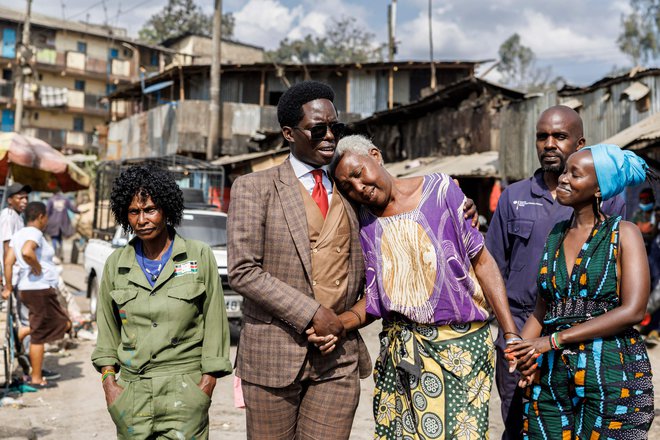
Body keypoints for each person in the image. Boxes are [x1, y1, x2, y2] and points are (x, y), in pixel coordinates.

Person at [228, 81, 479, 439]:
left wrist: (459, 201)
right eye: (318, 129)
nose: (330, 136)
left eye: (336, 127)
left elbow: (408, 200)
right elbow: (243, 271)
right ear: (289, 133)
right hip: (273, 356)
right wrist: (312, 314)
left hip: (337, 362)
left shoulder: (353, 190)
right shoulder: (254, 188)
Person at [322, 134, 518, 439]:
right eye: (348, 186)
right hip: (400, 353)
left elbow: (482, 263)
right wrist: (337, 323)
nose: (359, 188)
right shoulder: (363, 221)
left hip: (460, 351)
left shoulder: (441, 191)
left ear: (375, 155)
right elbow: (376, 300)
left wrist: (510, 334)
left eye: (359, 174)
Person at [485, 105, 626, 439]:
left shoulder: (609, 200)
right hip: (519, 330)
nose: (549, 144)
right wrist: (512, 337)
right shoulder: (514, 197)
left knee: (582, 426)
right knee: (520, 424)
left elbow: (615, 279)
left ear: (580, 143)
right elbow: (491, 270)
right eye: (542, 136)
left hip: (584, 336)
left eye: (559, 136)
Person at [507, 144, 655, 438]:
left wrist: (553, 340)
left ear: (598, 189)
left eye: (575, 175)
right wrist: (522, 353)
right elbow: (542, 308)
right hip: (552, 377)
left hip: (612, 375)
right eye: (565, 171)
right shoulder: (556, 235)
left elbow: (634, 310)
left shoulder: (624, 233)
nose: (563, 179)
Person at [91, 164, 231, 439]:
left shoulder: (199, 256)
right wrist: (110, 384)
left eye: (150, 210)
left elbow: (215, 322)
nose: (142, 220)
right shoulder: (116, 264)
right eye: (134, 212)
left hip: (185, 391)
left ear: (166, 209)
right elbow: (107, 332)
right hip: (133, 394)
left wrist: (205, 386)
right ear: (124, 214)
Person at [4, 201, 71, 387]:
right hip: (39, 290)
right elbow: (27, 252)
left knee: (63, 323)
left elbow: (8, 261)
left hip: (27, 290)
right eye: (46, 217)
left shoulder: (18, 235)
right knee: (41, 335)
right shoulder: (35, 233)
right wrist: (38, 267)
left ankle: (24, 331)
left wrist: (9, 286)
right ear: (41, 216)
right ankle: (36, 377)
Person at [0, 182, 31, 280]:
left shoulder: (18, 216)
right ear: (10, 200)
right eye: (20, 198)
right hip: (10, 272)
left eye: (26, 198)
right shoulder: (8, 217)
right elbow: (7, 248)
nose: (25, 201)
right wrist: (7, 278)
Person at [46, 190, 80, 260]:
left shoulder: (51, 200)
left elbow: (47, 212)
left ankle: (55, 254)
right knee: (60, 239)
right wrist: (79, 211)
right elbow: (72, 208)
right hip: (63, 222)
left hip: (53, 222)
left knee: (54, 238)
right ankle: (60, 254)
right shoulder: (65, 199)